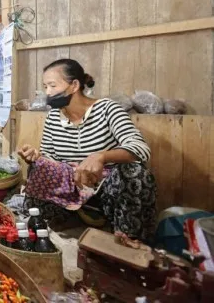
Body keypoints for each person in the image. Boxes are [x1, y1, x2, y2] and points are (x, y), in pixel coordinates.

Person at [17, 59, 156, 240]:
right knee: (38, 167)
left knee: (135, 172)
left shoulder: (108, 109)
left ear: (74, 85)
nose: (47, 93)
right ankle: (47, 227)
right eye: (45, 87)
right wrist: (36, 156)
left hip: (105, 191)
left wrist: (101, 156)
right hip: (69, 189)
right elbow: (50, 156)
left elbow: (140, 148)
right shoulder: (53, 117)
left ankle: (128, 239)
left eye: (52, 86)